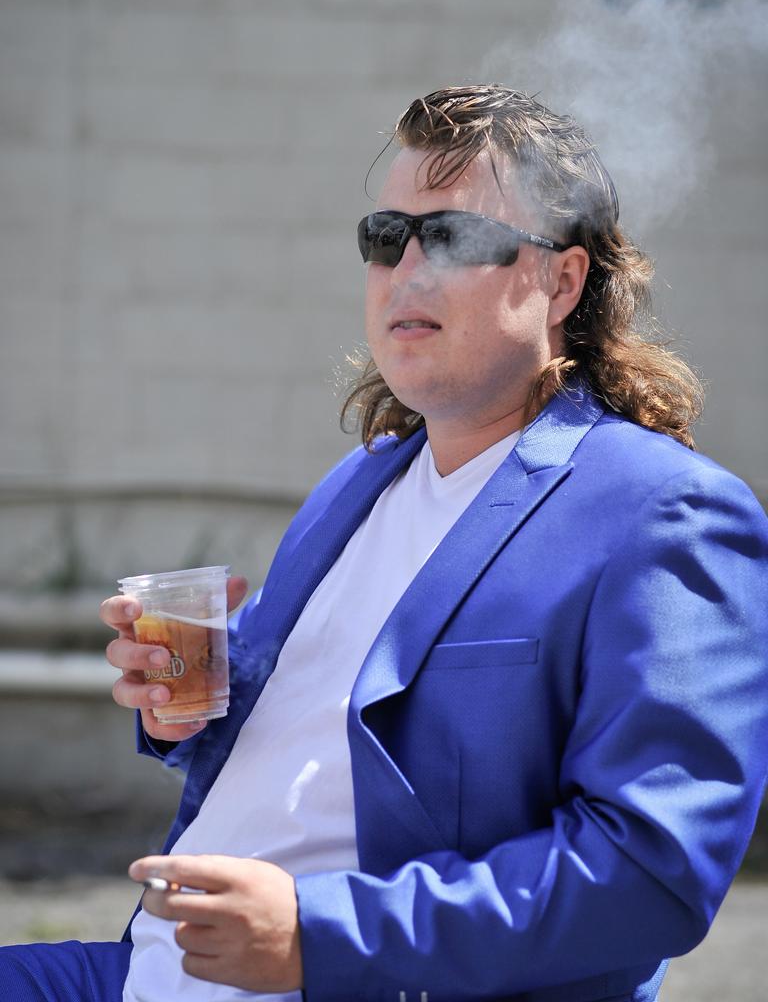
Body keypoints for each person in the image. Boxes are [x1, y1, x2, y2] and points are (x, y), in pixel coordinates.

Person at [2, 84, 767, 1002]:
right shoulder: (360, 482)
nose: (407, 269)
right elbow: (321, 730)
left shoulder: (664, 511)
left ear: (562, 282)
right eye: (384, 237)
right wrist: (183, 704)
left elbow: (652, 875)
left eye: (453, 237)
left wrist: (320, 935)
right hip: (148, 973)